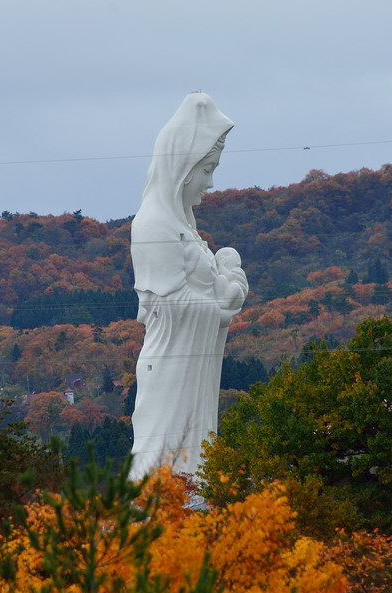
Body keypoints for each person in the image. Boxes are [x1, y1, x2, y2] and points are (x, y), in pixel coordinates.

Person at [129, 93, 248, 480]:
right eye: (207, 169)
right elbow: (168, 307)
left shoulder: (182, 226)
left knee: (195, 455)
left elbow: (199, 289)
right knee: (162, 451)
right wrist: (223, 301)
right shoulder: (153, 225)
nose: (211, 182)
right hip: (171, 361)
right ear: (182, 167)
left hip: (190, 361)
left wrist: (224, 292)